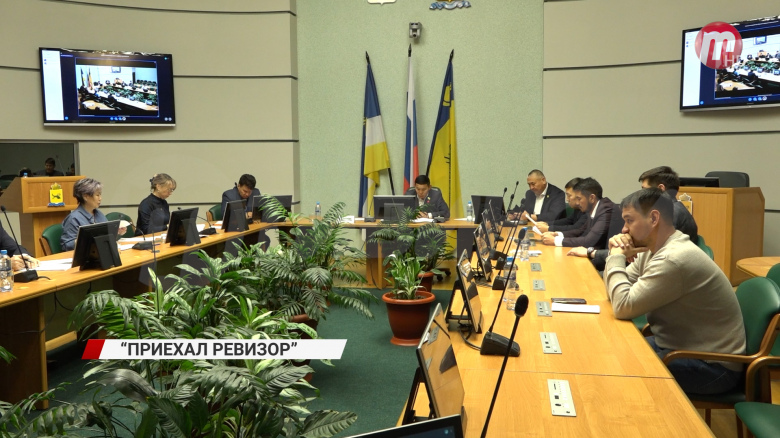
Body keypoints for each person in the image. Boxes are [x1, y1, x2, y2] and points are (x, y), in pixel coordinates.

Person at [604, 188, 745, 395]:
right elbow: (616, 290)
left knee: (621, 370)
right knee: (612, 351)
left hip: (713, 366)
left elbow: (623, 306)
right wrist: (616, 257)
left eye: (629, 221)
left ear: (654, 218)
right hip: (677, 347)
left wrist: (615, 256)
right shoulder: (655, 249)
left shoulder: (673, 258)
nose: (624, 230)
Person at [570, 166, 699, 265]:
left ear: (660, 189)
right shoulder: (674, 209)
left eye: (644, 189)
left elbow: (636, 250)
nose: (640, 194)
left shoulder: (670, 215)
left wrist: (592, 253)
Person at [540, 177, 614, 249]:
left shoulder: (606, 210)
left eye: (579, 198)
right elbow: (581, 231)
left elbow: (589, 241)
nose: (577, 203)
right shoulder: (593, 208)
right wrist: (556, 234)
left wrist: (555, 240)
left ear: (591, 198)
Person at [61, 178, 126, 251]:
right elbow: (66, 246)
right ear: (85, 196)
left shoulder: (99, 214)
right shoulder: (73, 218)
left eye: (100, 195)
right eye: (97, 195)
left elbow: (105, 237)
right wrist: (85, 240)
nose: (100, 198)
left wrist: (115, 231)